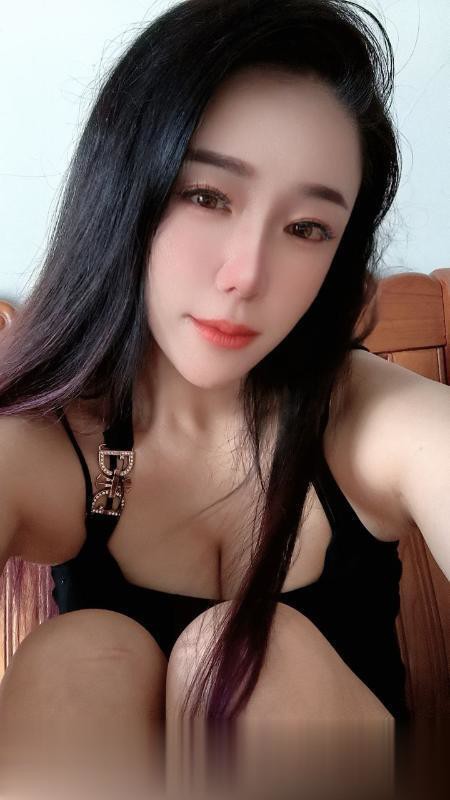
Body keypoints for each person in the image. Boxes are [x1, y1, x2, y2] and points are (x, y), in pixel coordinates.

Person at [0, 0, 448, 797]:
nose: (247, 275)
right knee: (81, 659)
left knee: (241, 660)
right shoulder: (39, 439)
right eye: (207, 195)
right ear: (122, 189)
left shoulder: (373, 419)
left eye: (307, 228)